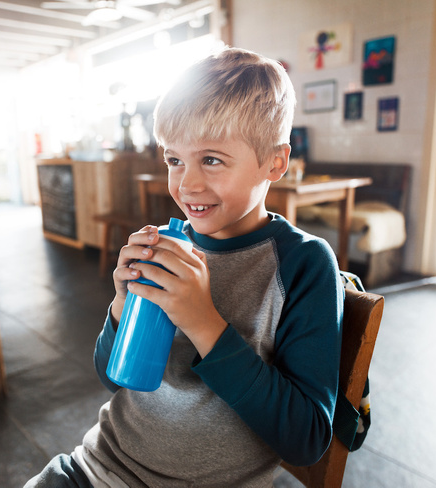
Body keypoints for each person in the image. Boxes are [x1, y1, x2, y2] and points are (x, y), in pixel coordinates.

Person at [25, 47, 343, 488]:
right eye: (175, 160)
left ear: (275, 161)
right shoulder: (166, 243)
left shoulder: (303, 265)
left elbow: (307, 439)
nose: (187, 183)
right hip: (98, 465)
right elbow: (112, 378)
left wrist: (204, 323)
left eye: (211, 159)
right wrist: (120, 308)